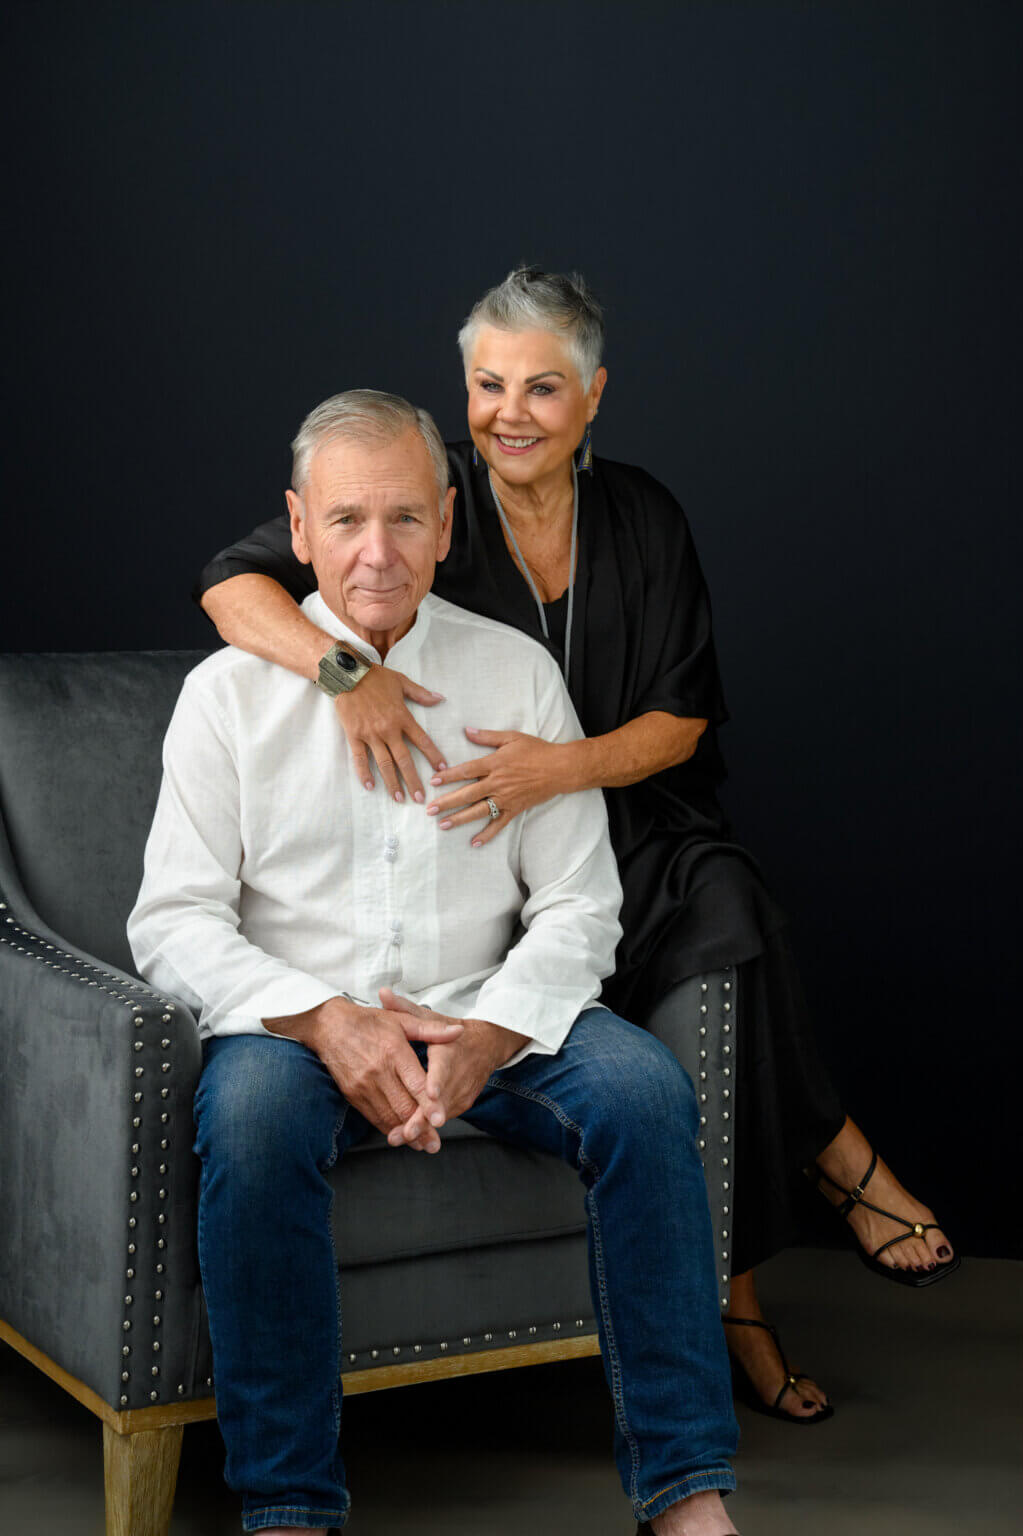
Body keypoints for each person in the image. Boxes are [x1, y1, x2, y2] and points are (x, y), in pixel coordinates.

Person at [194, 269, 958, 1425]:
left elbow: (683, 718)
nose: (511, 413)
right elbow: (236, 584)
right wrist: (343, 675)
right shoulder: (417, 490)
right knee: (710, 928)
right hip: (491, 844)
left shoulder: (643, 515)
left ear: (593, 397)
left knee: (719, 910)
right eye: (490, 384)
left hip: (626, 816)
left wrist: (559, 765)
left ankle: (752, 1277)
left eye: (543, 388)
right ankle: (809, 1202)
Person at [130, 390, 741, 1536]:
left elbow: (576, 901)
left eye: (406, 519)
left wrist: (497, 1032)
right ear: (297, 528)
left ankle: (685, 1492)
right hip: (295, 1027)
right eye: (347, 519)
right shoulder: (225, 698)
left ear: (449, 526)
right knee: (252, 1127)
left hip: (484, 1010)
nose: (377, 551)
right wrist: (321, 1017)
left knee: (646, 1094)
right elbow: (172, 919)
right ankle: (290, 1509)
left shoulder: (514, 677)